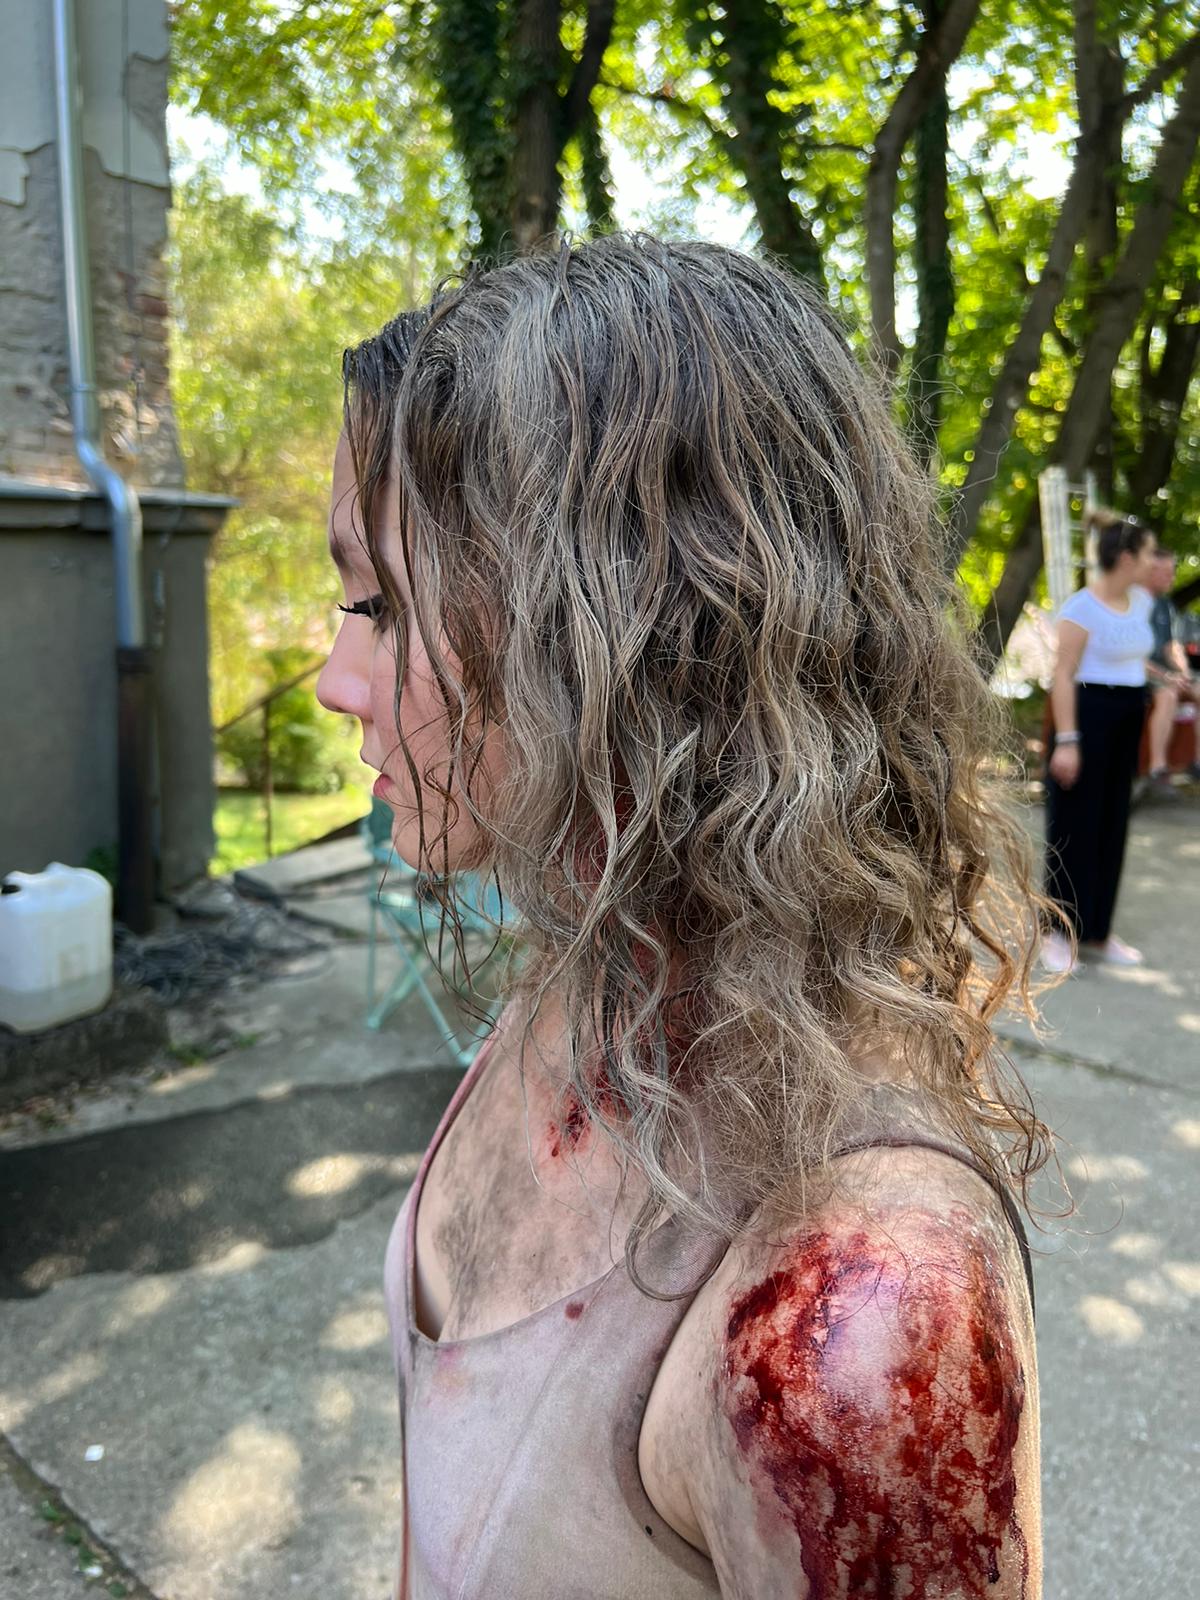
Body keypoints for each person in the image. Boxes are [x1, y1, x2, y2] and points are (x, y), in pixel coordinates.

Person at [317, 237, 1048, 1599]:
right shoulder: (584, 972)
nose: (333, 676)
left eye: (378, 603)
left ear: (621, 634)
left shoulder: (860, 1322)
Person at [1041, 512, 1159, 974]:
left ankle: (1099, 932)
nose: (1153, 561)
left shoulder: (1142, 602)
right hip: (1088, 716)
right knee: (1075, 825)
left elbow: (1131, 657)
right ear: (1127, 558)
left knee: (1113, 823)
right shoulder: (1080, 609)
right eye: (1148, 553)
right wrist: (1068, 741)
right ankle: (1057, 933)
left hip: (1129, 716)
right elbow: (1063, 676)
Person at [1143, 546, 1199, 796]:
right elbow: (1133, 657)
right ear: (1150, 571)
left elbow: (1171, 646)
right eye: (1166, 572)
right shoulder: (1133, 602)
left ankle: (1196, 763)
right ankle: (1157, 768)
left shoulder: (1165, 604)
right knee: (1167, 695)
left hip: (1165, 672)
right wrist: (1166, 677)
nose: (1172, 578)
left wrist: (1184, 671)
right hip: (1139, 673)